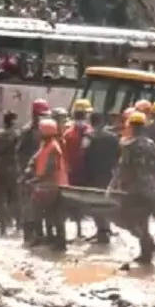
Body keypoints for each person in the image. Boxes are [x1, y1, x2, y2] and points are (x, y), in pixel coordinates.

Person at [108, 111, 155, 265]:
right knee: (144, 221)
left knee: (127, 220)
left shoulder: (127, 145)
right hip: (149, 188)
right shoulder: (151, 144)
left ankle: (148, 247)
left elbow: (122, 169)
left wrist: (112, 186)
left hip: (133, 190)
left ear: (130, 126)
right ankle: (147, 253)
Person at [25, 118, 68, 250]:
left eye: (40, 130)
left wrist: (34, 180)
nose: (38, 133)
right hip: (47, 185)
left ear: (45, 132)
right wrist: (30, 168)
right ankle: (50, 239)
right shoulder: (45, 145)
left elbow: (50, 168)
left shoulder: (53, 147)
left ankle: (56, 241)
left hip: (53, 185)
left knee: (48, 213)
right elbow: (35, 158)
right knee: (49, 214)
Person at [82, 111, 121, 243]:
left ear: (91, 122)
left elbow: (83, 153)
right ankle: (106, 229)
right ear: (102, 121)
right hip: (109, 174)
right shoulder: (113, 136)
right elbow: (118, 155)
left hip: (93, 174)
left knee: (95, 204)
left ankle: (101, 232)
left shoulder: (88, 136)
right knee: (105, 201)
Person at [17, 99, 51, 244]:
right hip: (30, 174)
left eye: (45, 115)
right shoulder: (27, 131)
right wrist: (25, 172)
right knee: (29, 206)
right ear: (34, 115)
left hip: (42, 175)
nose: (43, 117)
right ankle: (28, 236)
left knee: (41, 207)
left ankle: (40, 235)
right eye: (41, 115)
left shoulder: (47, 131)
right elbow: (19, 152)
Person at [62, 99, 94, 239]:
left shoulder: (67, 133)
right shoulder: (90, 132)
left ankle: (78, 229)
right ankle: (84, 230)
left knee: (74, 201)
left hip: (72, 172)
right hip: (85, 171)